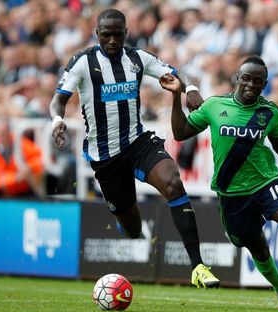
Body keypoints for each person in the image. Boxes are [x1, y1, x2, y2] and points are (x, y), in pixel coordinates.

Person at [49, 8, 219, 288]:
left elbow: (176, 74)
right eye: (107, 35)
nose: (113, 41)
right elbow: (58, 100)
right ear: (97, 35)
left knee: (173, 184)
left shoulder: (138, 58)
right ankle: (125, 219)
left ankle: (198, 267)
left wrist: (189, 90)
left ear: (126, 33)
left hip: (138, 142)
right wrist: (57, 120)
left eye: (118, 35)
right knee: (133, 229)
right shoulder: (82, 62)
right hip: (105, 156)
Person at [160, 55, 278, 310]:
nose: (250, 84)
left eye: (257, 81)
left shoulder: (269, 111)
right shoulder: (215, 105)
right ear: (237, 78)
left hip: (266, 183)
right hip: (231, 192)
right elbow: (181, 133)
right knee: (255, 247)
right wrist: (175, 98)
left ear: (264, 84)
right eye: (246, 78)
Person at [0, 117, 44, 198]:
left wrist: (29, 167)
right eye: (1, 132)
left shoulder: (20, 143)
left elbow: (39, 158)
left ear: (9, 131)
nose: (3, 135)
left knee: (35, 198)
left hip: (18, 189)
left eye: (5, 132)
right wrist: (14, 178)